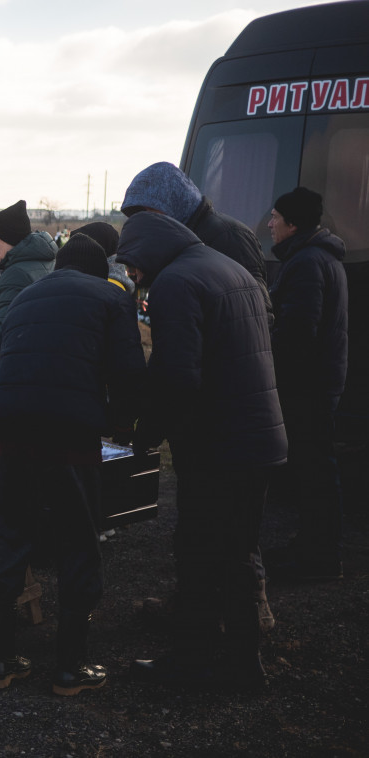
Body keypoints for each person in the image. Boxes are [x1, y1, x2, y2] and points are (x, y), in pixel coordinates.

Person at [116, 211, 286, 690]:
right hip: (259, 436)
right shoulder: (228, 267)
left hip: (219, 444)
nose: (132, 275)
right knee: (237, 552)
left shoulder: (175, 283)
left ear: (149, 250)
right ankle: (242, 663)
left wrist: (146, 430)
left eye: (132, 264)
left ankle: (189, 661)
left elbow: (178, 375)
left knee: (195, 550)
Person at [0, 234, 145, 695]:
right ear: (99, 270)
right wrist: (120, 426)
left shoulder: (29, 293)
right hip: (69, 435)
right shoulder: (111, 297)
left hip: (9, 427)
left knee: (13, 533)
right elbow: (129, 372)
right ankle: (70, 670)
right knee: (78, 540)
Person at [263, 187, 348, 581]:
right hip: (318, 383)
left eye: (276, 218)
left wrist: (270, 364)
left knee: (314, 472)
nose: (269, 224)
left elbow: (298, 332)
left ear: (293, 224)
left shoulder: (307, 262)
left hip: (308, 387)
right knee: (315, 469)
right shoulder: (317, 257)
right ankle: (313, 546)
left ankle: (318, 557)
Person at [122, 161, 272, 324]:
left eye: (152, 210)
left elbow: (257, 308)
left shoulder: (229, 236)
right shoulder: (177, 239)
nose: (149, 219)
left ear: (174, 200)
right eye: (143, 213)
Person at [0, 200, 57, 398]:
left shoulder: (16, 274)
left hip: (6, 376)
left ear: (9, 238)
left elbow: (4, 334)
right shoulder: (45, 261)